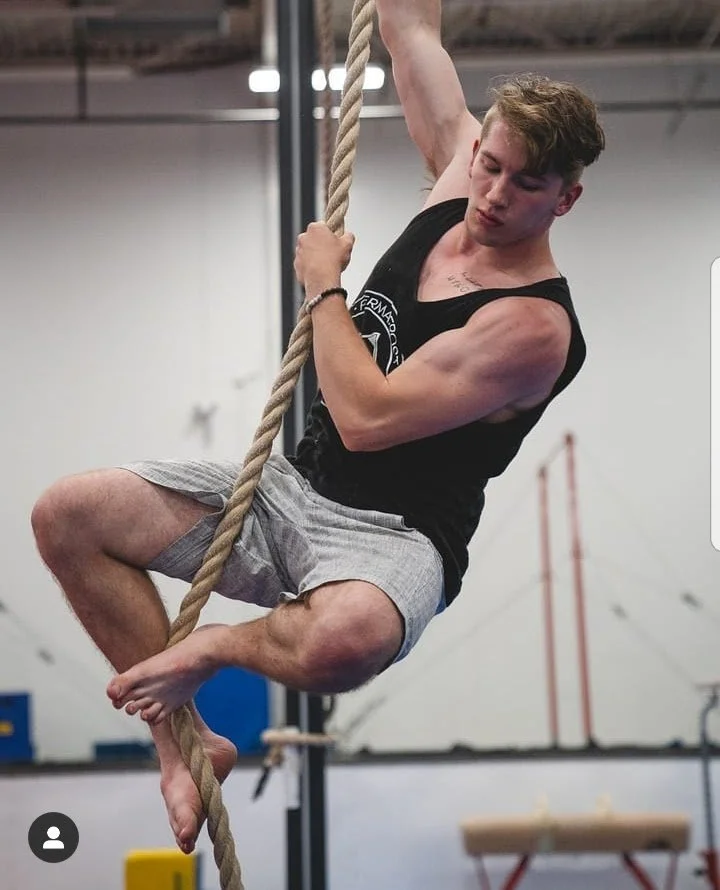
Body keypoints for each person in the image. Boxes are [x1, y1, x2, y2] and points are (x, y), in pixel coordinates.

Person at [31, 0, 605, 857]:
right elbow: (414, 29)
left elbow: (368, 418)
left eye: (525, 184)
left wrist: (323, 287)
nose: (491, 193)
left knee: (351, 640)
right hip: (294, 489)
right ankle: (184, 749)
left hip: (394, 540)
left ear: (567, 197)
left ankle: (211, 653)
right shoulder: (458, 172)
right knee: (66, 516)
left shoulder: (534, 327)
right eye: (489, 164)